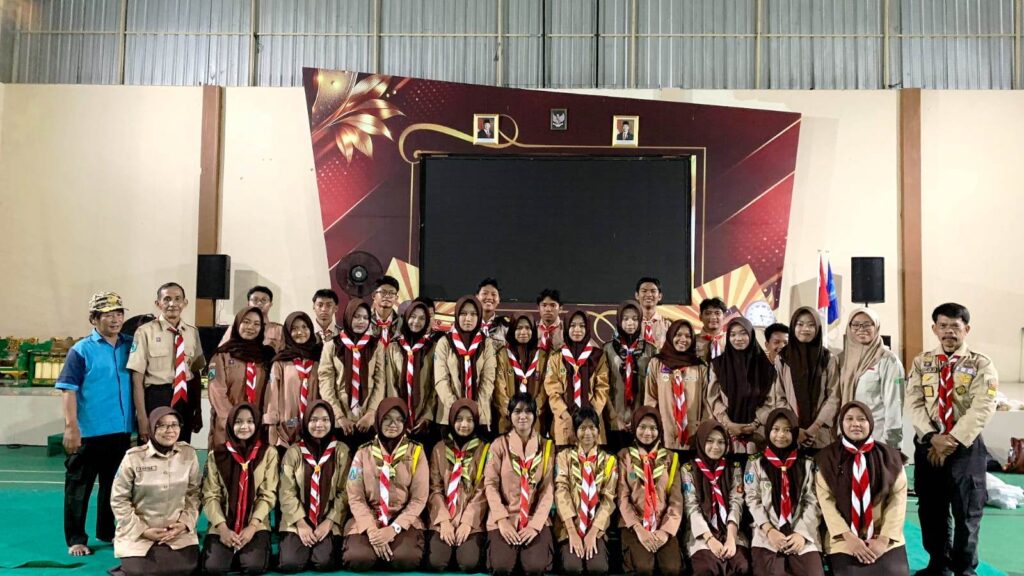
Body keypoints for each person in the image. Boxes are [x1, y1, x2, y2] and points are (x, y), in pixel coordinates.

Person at [906, 302, 998, 576]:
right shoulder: (922, 362)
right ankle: (939, 565)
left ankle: (964, 569)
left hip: (965, 448)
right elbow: (913, 401)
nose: (949, 331)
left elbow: (983, 405)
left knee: (967, 512)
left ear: (966, 329)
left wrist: (952, 439)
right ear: (934, 328)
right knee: (931, 509)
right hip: (929, 446)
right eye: (943, 326)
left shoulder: (981, 363)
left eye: (955, 326)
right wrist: (932, 436)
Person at [57, 292, 135, 557]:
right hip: (88, 433)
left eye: (119, 313)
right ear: (94, 319)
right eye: (108, 315)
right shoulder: (81, 350)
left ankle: (107, 531)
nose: (115, 319)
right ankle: (76, 538)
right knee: (79, 487)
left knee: (114, 487)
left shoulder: (130, 345)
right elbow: (68, 390)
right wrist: (71, 427)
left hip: (120, 432)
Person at [815, 401, 909, 576]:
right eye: (849, 419)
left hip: (883, 534)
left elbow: (898, 500)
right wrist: (850, 539)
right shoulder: (827, 458)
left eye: (861, 419)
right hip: (843, 538)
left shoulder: (890, 458)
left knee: (896, 572)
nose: (855, 424)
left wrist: (883, 540)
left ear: (870, 423)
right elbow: (826, 502)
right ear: (841, 423)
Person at [110, 407, 201, 576]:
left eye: (174, 425)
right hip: (140, 532)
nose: (170, 430)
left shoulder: (188, 454)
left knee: (187, 568)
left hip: (176, 532)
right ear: (152, 428)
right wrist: (143, 530)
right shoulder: (133, 457)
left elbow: (194, 494)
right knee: (139, 572)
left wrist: (184, 524)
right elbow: (119, 500)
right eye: (162, 425)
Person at [342, 398, 429, 572]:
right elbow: (355, 497)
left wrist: (394, 529)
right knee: (358, 559)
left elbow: (419, 499)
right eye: (387, 418)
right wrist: (371, 529)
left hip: (402, 518)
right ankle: (375, 549)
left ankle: (387, 549)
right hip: (371, 516)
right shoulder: (362, 452)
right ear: (378, 420)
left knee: (405, 559)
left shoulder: (416, 452)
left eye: (399, 419)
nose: (393, 424)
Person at [744, 408, 824, 576]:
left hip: (802, 533)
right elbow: (752, 500)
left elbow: (813, 501)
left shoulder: (807, 464)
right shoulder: (756, 463)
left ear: (795, 433)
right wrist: (769, 530)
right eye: (776, 429)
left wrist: (801, 534)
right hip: (767, 535)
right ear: (768, 431)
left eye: (787, 430)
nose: (781, 435)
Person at [201, 403, 278, 575]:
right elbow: (211, 495)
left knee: (254, 566)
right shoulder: (217, 455)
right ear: (230, 424)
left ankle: (241, 553)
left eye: (250, 421)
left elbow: (267, 494)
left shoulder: (268, 453)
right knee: (213, 567)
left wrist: (252, 526)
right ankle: (232, 552)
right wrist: (222, 528)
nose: (244, 426)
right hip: (223, 523)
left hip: (255, 524)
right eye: (238, 422)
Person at [484, 392, 556, 576]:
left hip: (533, 517)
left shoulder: (547, 447)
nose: (523, 416)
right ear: (510, 415)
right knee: (501, 567)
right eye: (517, 411)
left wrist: (535, 525)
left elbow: (547, 490)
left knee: (535, 567)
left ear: (535, 414)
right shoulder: (499, 445)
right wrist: (501, 520)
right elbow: (490, 485)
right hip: (505, 516)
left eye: (528, 411)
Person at [127, 282, 205, 445]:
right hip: (157, 397)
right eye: (167, 299)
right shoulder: (145, 332)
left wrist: (198, 410)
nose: (172, 304)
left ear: (185, 303)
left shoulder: (192, 332)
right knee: (154, 447)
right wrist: (141, 417)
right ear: (158, 303)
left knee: (181, 446)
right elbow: (137, 378)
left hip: (185, 398)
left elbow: (195, 372)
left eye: (177, 299)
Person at [278, 400, 351, 572]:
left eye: (325, 420)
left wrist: (329, 521)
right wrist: (301, 523)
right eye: (314, 420)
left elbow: (345, 492)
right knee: (290, 563)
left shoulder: (342, 451)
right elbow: (286, 492)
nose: (319, 425)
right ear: (305, 422)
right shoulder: (293, 452)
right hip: (297, 521)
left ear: (332, 422)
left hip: (328, 519)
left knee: (324, 563)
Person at [616, 406, 684, 576]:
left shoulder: (671, 458)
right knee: (643, 568)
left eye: (653, 428)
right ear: (634, 428)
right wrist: (639, 530)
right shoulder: (624, 456)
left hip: (663, 522)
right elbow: (623, 498)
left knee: (671, 569)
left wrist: (665, 531)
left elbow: (676, 500)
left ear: (660, 430)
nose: (647, 433)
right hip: (634, 524)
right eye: (642, 427)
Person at [680, 420, 751, 576]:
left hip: (730, 529)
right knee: (706, 568)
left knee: (741, 565)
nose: (716, 446)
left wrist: (731, 538)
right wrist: (710, 540)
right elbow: (691, 507)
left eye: (721, 442)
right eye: (710, 441)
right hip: (701, 532)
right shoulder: (688, 469)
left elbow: (736, 502)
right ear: (701, 442)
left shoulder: (734, 468)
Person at [426, 399, 490, 572]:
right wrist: (444, 521)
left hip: (471, 520)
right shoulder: (439, 449)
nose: (464, 425)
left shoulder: (484, 450)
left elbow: (482, 491)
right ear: (451, 420)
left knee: (468, 563)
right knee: (437, 562)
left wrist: (467, 522)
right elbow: (435, 489)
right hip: (443, 517)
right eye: (459, 419)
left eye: (470, 420)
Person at [554, 406, 618, 576]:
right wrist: (572, 531)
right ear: (575, 432)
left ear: (598, 430)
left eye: (592, 427)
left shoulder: (609, 461)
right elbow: (561, 492)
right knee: (572, 567)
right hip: (569, 527)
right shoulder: (564, 457)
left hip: (596, 527)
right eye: (582, 428)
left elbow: (608, 499)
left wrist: (593, 533)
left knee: (598, 568)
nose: (587, 433)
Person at [769, 307, 840, 451]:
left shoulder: (828, 358)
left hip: (821, 433)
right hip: (791, 432)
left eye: (811, 325)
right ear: (793, 327)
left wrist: (814, 428)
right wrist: (795, 428)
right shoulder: (782, 359)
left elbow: (833, 397)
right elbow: (779, 396)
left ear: (817, 328)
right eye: (800, 324)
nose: (805, 329)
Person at [207, 307, 276, 449]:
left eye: (256, 324)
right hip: (227, 426)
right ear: (237, 324)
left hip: (258, 427)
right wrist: (235, 421)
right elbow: (217, 392)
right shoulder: (222, 355)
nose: (251, 327)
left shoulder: (266, 356)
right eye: (246, 322)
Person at [708, 317, 777, 456]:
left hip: (758, 436)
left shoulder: (766, 367)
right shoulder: (718, 365)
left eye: (743, 333)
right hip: (726, 436)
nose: (738, 338)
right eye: (733, 334)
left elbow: (770, 401)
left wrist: (754, 424)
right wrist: (729, 424)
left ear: (751, 335)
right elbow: (713, 399)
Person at [319, 298, 385, 444]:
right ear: (348, 317)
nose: (361, 321)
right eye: (356, 316)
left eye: (366, 318)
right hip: (340, 420)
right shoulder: (332, 345)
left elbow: (380, 381)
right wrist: (339, 416)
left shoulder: (376, 345)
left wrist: (371, 413)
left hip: (368, 419)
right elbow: (325, 384)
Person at [837, 308, 906, 448]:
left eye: (867, 324)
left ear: (876, 327)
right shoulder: (841, 360)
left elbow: (894, 405)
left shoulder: (888, 360)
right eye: (856, 325)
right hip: (846, 439)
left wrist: (890, 444)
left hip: (877, 440)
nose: (861, 329)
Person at [545, 308, 610, 448]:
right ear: (566, 328)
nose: (577, 330)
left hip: (591, 422)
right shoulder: (556, 357)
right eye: (573, 325)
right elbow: (552, 391)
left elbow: (602, 388)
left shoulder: (598, 356)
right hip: (564, 421)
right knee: (565, 459)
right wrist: (565, 415)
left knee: (593, 460)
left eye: (582, 326)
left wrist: (591, 415)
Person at [644, 319, 708, 455]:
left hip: (693, 437)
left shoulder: (700, 367)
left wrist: (703, 431)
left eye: (688, 336)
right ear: (670, 335)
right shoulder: (656, 363)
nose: (683, 339)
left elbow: (706, 403)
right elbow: (650, 398)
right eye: (678, 335)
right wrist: (651, 428)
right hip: (664, 435)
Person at [434, 295, 497, 433]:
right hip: (449, 416)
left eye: (473, 314)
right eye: (463, 313)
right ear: (456, 315)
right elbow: (441, 380)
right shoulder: (444, 343)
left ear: (479, 317)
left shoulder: (487, 344)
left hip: (480, 415)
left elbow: (488, 380)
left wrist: (474, 409)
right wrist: (457, 409)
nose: (468, 319)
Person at [604, 300, 658, 451]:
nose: (630, 323)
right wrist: (614, 417)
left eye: (634, 319)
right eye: (625, 319)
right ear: (619, 320)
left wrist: (641, 417)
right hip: (614, 420)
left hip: (642, 423)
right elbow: (602, 387)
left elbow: (654, 389)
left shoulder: (651, 350)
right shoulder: (607, 349)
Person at [266, 311, 323, 449]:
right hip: (287, 427)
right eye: (294, 328)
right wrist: (271, 424)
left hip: (315, 427)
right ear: (287, 332)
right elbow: (272, 394)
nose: (300, 332)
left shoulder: (318, 360)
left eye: (304, 327)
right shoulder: (280, 362)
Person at [385, 299, 437, 444]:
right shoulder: (393, 347)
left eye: (422, 318)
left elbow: (434, 387)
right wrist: (398, 415)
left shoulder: (433, 348)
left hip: (424, 420)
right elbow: (390, 383)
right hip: (397, 421)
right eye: (413, 317)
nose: (416, 322)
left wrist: (427, 416)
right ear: (406, 317)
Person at [496, 314, 549, 434]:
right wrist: (511, 412)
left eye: (527, 328)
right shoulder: (503, 354)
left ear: (533, 330)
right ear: (512, 330)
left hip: (534, 419)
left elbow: (545, 388)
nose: (523, 332)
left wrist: (534, 409)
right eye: (519, 328)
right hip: (508, 419)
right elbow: (499, 389)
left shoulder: (542, 356)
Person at [219, 286, 285, 352]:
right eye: (255, 300)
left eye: (264, 300)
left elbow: (285, 354)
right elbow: (222, 350)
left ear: (270, 304)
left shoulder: (279, 330)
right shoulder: (236, 327)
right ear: (248, 303)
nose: (259, 303)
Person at [634, 277, 670, 347]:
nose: (649, 295)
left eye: (653, 291)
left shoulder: (667, 325)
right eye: (644, 291)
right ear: (637, 295)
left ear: (660, 296)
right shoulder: (629, 324)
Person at [370, 276, 402, 347]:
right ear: (373, 296)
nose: (387, 296)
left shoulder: (402, 323)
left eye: (391, 293)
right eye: (383, 292)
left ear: (396, 298)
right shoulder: (366, 321)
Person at [696, 297, 729, 362]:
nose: (713, 317)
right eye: (708, 313)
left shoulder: (731, 340)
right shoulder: (692, 340)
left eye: (717, 313)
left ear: (724, 316)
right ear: (700, 317)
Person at [478, 277, 510, 341]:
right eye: (485, 293)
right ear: (477, 297)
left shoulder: (506, 325)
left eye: (493, 294)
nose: (489, 298)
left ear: (499, 299)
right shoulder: (470, 323)